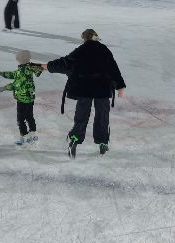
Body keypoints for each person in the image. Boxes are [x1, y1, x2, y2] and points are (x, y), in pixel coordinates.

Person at [43, 28, 126, 157]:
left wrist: (47, 66)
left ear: (85, 39)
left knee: (81, 116)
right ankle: (103, 142)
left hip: (84, 90)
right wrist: (120, 86)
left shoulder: (80, 50)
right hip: (102, 89)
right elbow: (113, 68)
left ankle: (75, 138)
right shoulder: (104, 50)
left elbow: (65, 63)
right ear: (95, 37)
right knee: (102, 116)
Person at [0, 49, 44, 145]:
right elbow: (14, 74)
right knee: (29, 116)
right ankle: (33, 136)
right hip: (30, 98)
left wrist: (4, 88)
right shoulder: (27, 68)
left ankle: (24, 137)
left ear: (19, 59)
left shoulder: (22, 71)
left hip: (22, 99)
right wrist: (2, 73)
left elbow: (16, 84)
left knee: (20, 119)